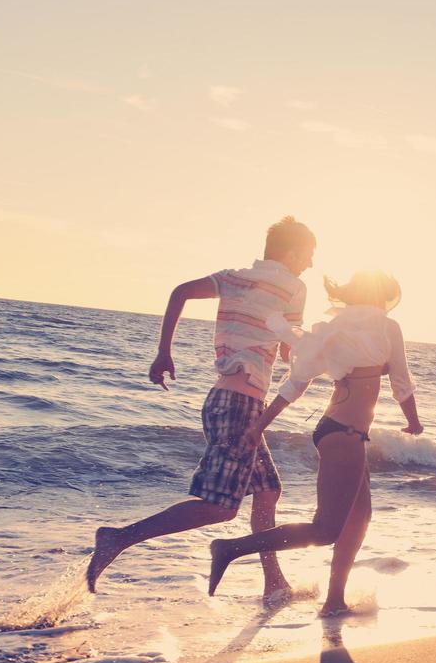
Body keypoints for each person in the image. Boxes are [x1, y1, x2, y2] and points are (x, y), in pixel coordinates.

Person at [86, 217, 315, 597]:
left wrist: (163, 352)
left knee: (268, 491)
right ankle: (118, 538)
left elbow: (179, 292)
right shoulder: (294, 286)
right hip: (241, 405)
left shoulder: (234, 277)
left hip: (225, 400)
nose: (309, 263)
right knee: (220, 508)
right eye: (308, 255)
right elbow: (291, 349)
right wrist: (323, 354)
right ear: (291, 253)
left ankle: (275, 584)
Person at [206, 270, 424, 615]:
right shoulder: (385, 327)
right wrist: (413, 420)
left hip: (336, 430)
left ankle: (335, 600)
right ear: (382, 297)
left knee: (360, 517)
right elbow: (401, 379)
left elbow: (295, 384)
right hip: (346, 436)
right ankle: (231, 549)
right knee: (325, 530)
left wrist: (260, 425)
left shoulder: (340, 331)